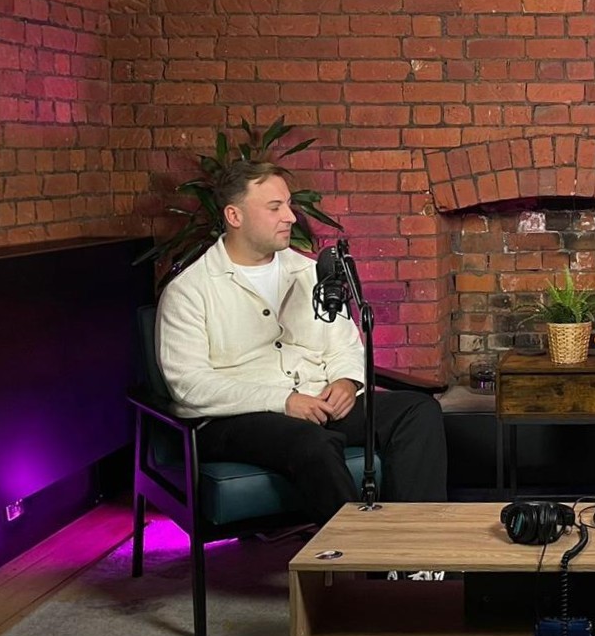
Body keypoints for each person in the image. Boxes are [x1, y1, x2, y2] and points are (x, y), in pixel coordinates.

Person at [156, 160, 447, 525]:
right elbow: (189, 384)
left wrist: (346, 381)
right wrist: (282, 400)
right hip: (238, 419)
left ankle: (417, 543)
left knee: (417, 411)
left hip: (317, 402)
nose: (291, 217)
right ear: (234, 215)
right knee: (312, 442)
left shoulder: (310, 273)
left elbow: (344, 343)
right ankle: (355, 551)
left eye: (289, 204)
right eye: (275, 207)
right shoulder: (189, 291)